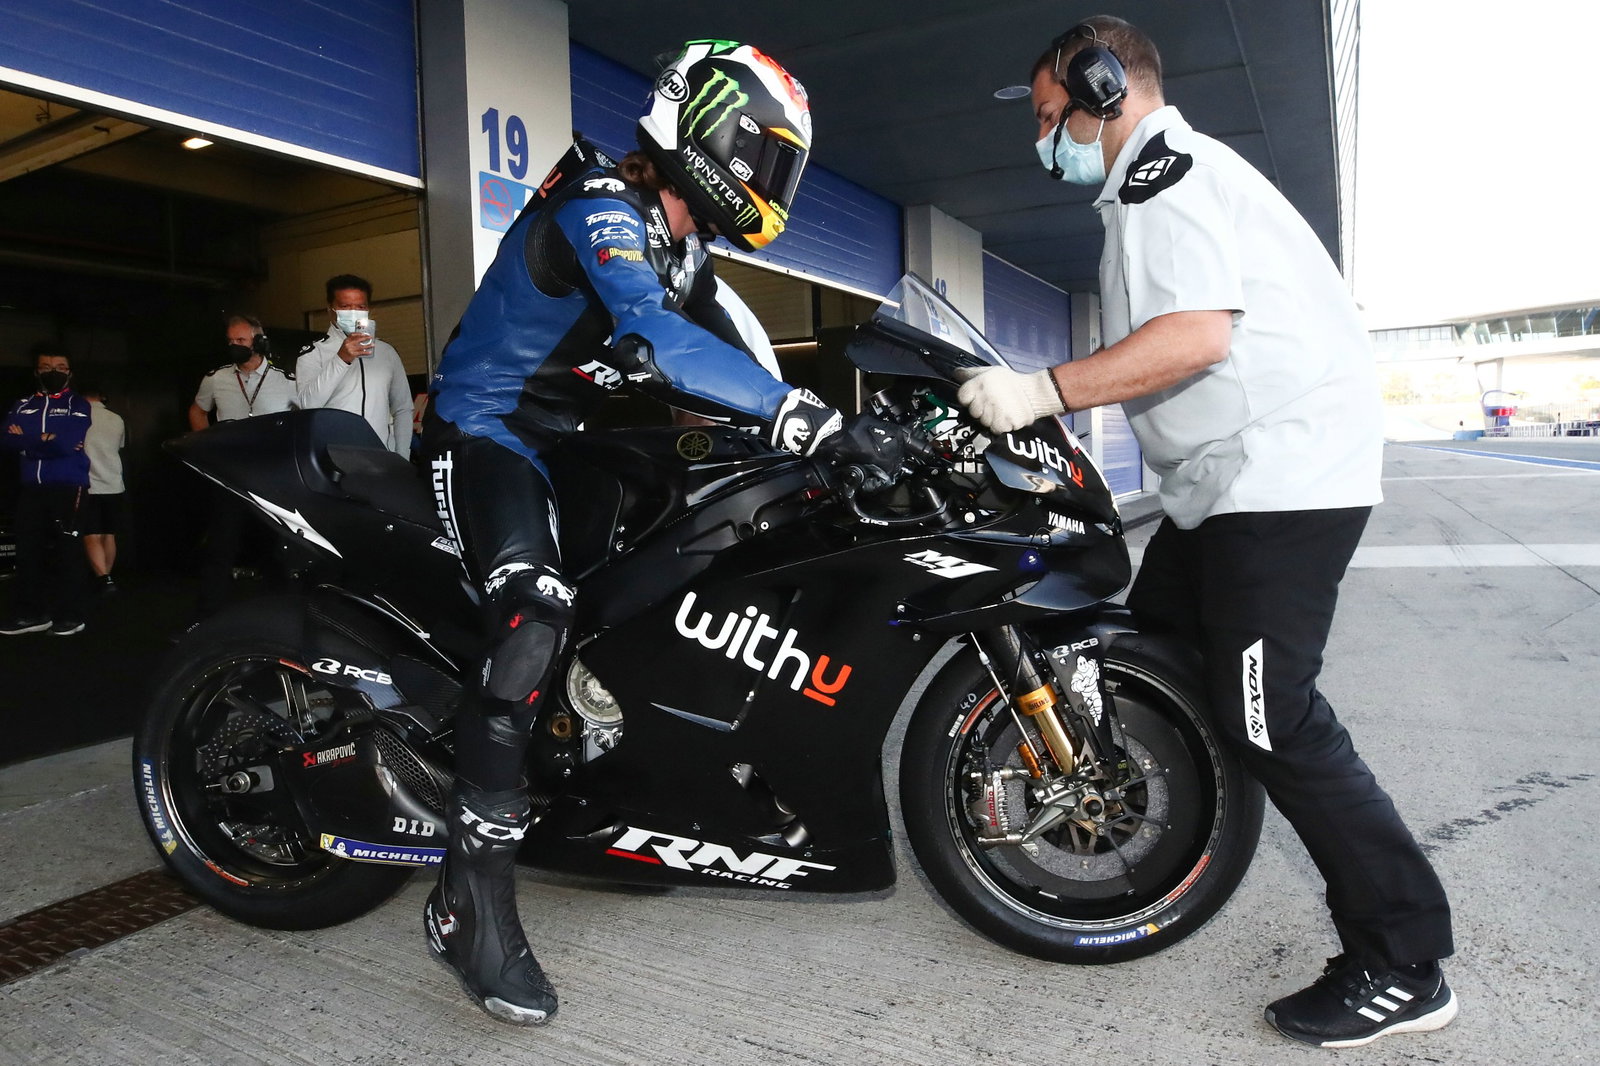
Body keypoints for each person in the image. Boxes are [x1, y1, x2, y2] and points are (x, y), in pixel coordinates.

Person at [957, 16, 1456, 1050]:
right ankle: (1168, 856)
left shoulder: (1164, 175)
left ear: (1101, 90)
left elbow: (1192, 338)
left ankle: (1404, 961)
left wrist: (1041, 392)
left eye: (1048, 115)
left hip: (1281, 479)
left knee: (1271, 715)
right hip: (1223, 486)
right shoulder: (1145, 189)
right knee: (1157, 657)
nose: (1042, 139)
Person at [421, 39, 913, 1026]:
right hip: (483, 432)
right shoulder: (602, 203)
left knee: (687, 559)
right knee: (534, 620)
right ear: (714, 134)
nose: (775, 183)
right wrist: (799, 416)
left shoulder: (685, 243)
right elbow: (653, 331)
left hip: (565, 445)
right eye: (768, 158)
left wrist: (830, 435)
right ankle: (467, 902)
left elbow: (737, 348)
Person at [188, 314, 297, 614]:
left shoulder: (287, 380)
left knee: (279, 545)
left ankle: (283, 612)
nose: (234, 345)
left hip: (271, 476)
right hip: (230, 474)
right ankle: (208, 615)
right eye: (230, 341)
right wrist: (208, 443)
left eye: (241, 340)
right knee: (221, 545)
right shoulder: (216, 378)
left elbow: (305, 418)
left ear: (259, 342)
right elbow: (197, 411)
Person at [0, 344, 92, 635]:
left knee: (69, 551)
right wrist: (43, 440)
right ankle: (32, 614)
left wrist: (28, 442)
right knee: (28, 552)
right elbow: (6, 440)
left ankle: (72, 615)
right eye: (47, 367)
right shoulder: (22, 404)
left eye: (61, 368)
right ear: (36, 371)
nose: (54, 372)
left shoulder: (78, 404)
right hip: (31, 488)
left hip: (68, 485)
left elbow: (66, 443)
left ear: (70, 373)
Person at [296, 275, 414, 454]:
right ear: (330, 309)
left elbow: (403, 408)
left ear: (368, 309)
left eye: (360, 307)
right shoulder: (314, 353)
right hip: (334, 457)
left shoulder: (387, 352)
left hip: (380, 456)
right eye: (345, 306)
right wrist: (341, 359)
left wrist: (403, 455)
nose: (353, 312)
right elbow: (308, 405)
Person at [77, 384, 126, 595]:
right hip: (114, 482)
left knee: (91, 534)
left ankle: (103, 577)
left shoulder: (79, 418)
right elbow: (119, 446)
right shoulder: (116, 419)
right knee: (109, 533)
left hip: (89, 483)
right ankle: (108, 576)